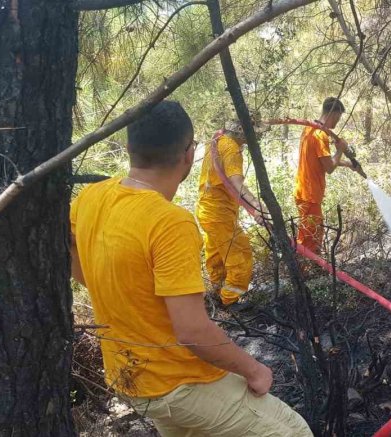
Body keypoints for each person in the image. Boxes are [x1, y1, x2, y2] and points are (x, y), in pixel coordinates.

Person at [70, 101, 311, 436]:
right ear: (189, 154)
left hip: (129, 379)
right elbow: (191, 330)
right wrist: (254, 369)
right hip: (177, 384)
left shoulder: (90, 197)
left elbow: (84, 273)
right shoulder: (170, 223)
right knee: (293, 431)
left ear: (129, 148)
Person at [196, 120, 264, 307]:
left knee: (217, 255)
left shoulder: (218, 140)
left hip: (207, 211)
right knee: (240, 255)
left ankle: (216, 292)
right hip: (219, 215)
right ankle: (230, 301)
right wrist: (258, 207)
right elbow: (236, 183)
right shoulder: (232, 149)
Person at [294, 97, 358, 254]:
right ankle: (306, 273)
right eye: (339, 117)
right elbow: (329, 167)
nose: (337, 122)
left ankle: (307, 270)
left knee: (308, 234)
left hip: (304, 192)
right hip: (310, 194)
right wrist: (340, 150)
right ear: (333, 113)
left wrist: (348, 164)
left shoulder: (309, 129)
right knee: (311, 238)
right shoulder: (319, 135)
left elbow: (321, 161)